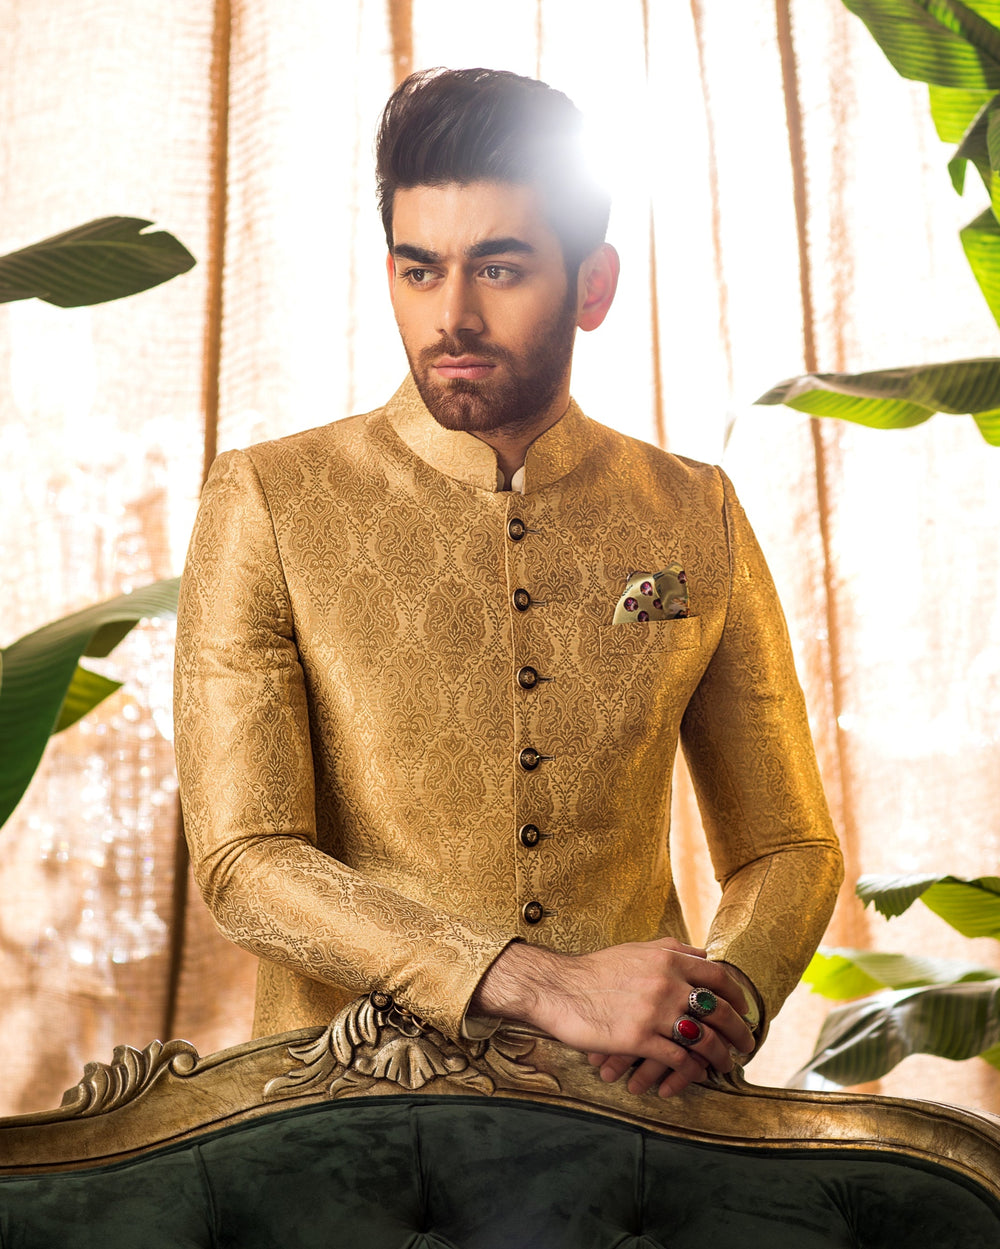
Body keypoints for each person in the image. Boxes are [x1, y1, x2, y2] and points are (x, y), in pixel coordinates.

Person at [174, 67, 843, 1101]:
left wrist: (711, 1008)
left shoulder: (689, 509)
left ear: (592, 284)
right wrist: (538, 983)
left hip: (635, 1107)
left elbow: (787, 843)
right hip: (344, 1108)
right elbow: (246, 859)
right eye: (418, 268)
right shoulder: (269, 498)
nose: (451, 316)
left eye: (498, 268)